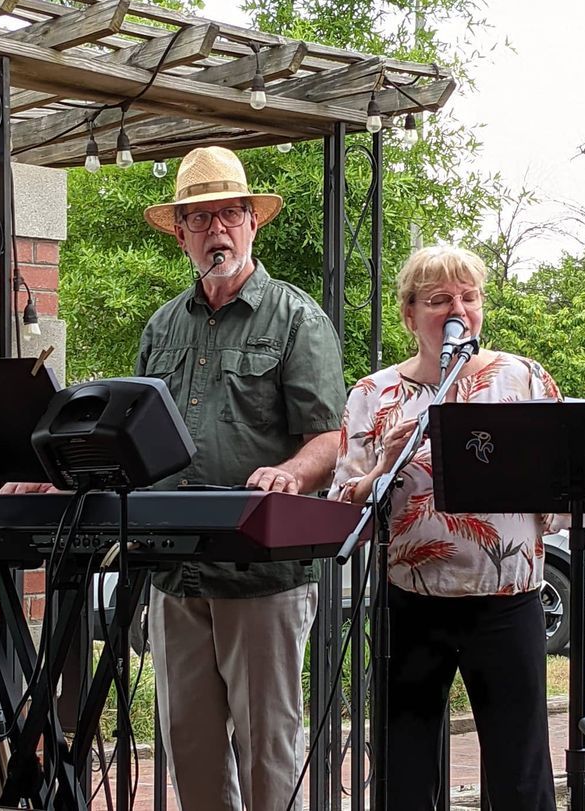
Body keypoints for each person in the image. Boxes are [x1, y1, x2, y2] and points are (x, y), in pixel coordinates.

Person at [139, 146, 346, 811]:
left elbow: (331, 436)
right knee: (190, 753)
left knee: (268, 758)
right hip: (175, 572)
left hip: (262, 574)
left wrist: (289, 471)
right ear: (180, 234)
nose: (216, 229)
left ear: (252, 224)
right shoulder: (162, 325)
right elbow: (140, 438)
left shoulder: (295, 317)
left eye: (229, 212)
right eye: (199, 218)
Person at [329, 244, 560, 811]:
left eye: (469, 296)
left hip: (507, 599)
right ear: (410, 315)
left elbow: (565, 496)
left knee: (519, 771)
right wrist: (383, 469)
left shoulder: (522, 378)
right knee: (404, 771)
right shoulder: (373, 394)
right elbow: (345, 508)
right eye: (439, 299)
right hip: (410, 603)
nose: (458, 308)